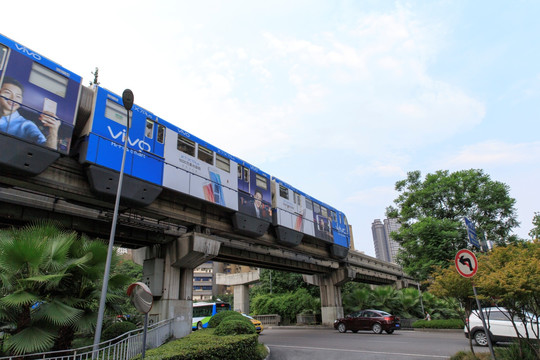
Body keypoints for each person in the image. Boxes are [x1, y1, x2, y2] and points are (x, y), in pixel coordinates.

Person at [0, 77, 60, 149]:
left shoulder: (26, 125)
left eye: (18, 96)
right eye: (7, 92)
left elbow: (48, 150)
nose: (13, 98)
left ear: (21, 101)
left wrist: (53, 131)